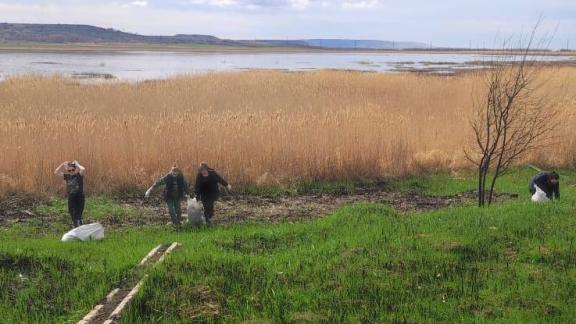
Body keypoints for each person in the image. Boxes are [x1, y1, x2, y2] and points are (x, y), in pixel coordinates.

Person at [55, 160, 86, 228]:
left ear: (75, 169)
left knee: (78, 214)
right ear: (67, 171)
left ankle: (80, 226)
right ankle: (76, 227)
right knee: (72, 214)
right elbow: (56, 172)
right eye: (69, 171)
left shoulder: (79, 175)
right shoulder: (67, 176)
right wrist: (62, 164)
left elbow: (83, 169)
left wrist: (77, 164)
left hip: (79, 197)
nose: (71, 172)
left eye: (72, 170)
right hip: (71, 197)